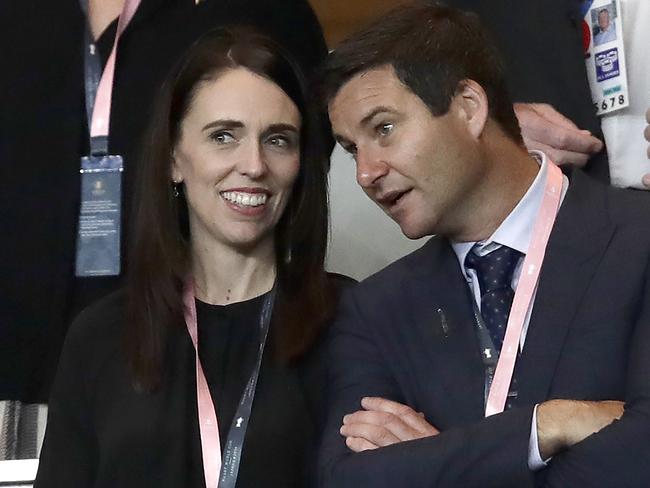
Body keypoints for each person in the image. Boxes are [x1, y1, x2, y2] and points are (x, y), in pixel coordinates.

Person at [317, 3, 650, 487]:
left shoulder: (638, 241)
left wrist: (435, 459)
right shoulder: (375, 308)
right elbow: (349, 480)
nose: (365, 173)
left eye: (383, 129)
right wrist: (545, 427)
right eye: (351, 149)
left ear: (469, 107)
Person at [0, 0, 328, 460]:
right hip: (24, 365)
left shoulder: (267, 11)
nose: (254, 162)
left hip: (195, 351)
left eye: (274, 141)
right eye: (223, 136)